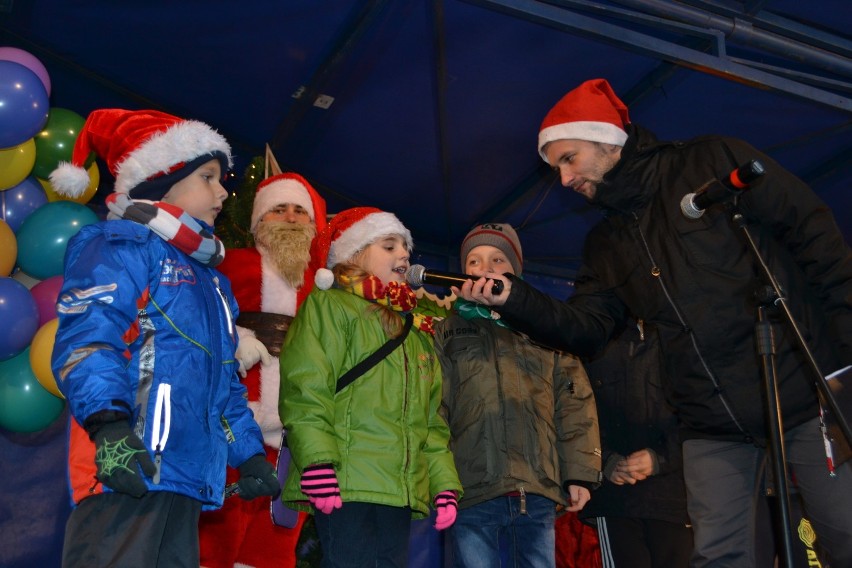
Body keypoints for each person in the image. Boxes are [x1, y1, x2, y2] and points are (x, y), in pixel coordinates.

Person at [455, 78, 852, 567]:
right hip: (711, 423)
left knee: (844, 531)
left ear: (606, 140)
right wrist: (515, 298)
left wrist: (842, 358)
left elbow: (813, 233)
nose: (562, 179)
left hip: (799, 394)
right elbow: (587, 327)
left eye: (568, 158)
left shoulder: (707, 162)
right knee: (720, 556)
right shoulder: (605, 243)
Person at [49, 109, 280, 567]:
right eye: (208, 177)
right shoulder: (121, 244)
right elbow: (88, 338)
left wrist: (250, 455)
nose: (222, 191)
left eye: (222, 178)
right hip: (125, 464)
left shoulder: (212, 281)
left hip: (186, 477)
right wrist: (109, 427)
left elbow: (224, 384)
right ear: (160, 180)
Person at [278, 206, 463, 567]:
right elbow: (307, 387)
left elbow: (431, 423)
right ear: (354, 255)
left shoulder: (416, 332)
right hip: (345, 480)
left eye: (405, 248)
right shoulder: (330, 306)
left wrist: (443, 485)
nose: (403, 255)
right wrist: (317, 462)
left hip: (398, 487)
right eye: (389, 245)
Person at [434, 222, 601, 568]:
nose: (486, 270)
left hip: (537, 488)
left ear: (516, 269)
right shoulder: (446, 331)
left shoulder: (546, 327)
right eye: (475, 262)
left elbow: (574, 401)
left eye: (498, 260)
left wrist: (580, 473)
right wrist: (440, 478)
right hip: (471, 489)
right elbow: (434, 407)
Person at [198, 172, 327, 568]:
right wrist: (233, 337)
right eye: (278, 210)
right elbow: (198, 315)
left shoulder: (323, 287)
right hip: (235, 419)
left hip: (296, 428)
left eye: (299, 211)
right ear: (257, 223)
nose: (290, 217)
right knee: (218, 528)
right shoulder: (230, 265)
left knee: (277, 535)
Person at [578, 318, 692, 568]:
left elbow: (700, 414)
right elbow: (576, 413)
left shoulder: (681, 331)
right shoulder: (594, 333)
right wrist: (605, 459)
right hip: (616, 499)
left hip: (674, 497)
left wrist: (660, 458)